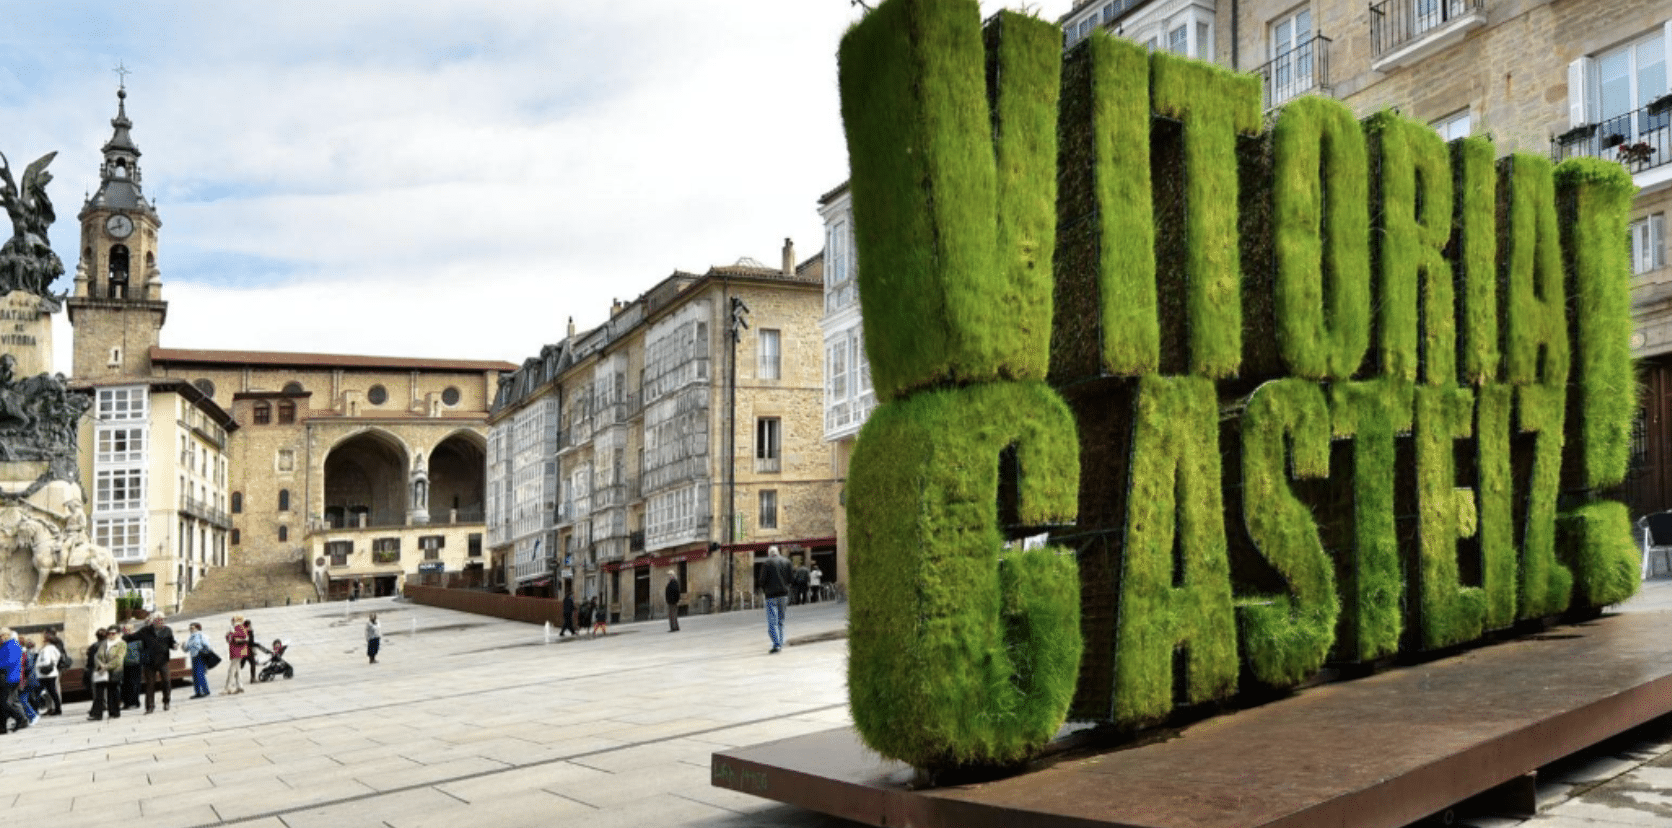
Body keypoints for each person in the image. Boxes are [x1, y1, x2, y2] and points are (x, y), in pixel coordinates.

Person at [123, 614, 178, 713]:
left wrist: (174, 645)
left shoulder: (167, 630)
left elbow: (171, 642)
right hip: (148, 662)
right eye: (158, 619)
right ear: (153, 621)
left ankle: (166, 701)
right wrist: (122, 637)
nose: (160, 621)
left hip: (163, 660)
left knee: (166, 682)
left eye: (162, 619)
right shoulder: (145, 630)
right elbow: (133, 637)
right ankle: (149, 707)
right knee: (150, 685)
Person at [758, 546, 794, 654]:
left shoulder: (766, 563)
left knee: (772, 622)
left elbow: (762, 580)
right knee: (780, 621)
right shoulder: (787, 562)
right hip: (783, 595)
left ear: (769, 553)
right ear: (778, 552)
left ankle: (776, 644)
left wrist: (764, 589)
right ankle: (780, 642)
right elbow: (791, 579)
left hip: (771, 596)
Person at [88, 627, 125, 721]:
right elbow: (97, 656)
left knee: (113, 692)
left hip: (114, 671)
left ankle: (114, 712)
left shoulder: (121, 643)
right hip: (102, 672)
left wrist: (106, 666)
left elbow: (118, 659)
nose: (111, 635)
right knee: (99, 693)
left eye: (113, 633)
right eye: (109, 633)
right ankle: (97, 714)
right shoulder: (104, 643)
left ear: (117, 634)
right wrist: (100, 666)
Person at [0, 629, 27, 733]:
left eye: (0, 636)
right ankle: (3, 727)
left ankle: (19, 717)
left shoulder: (12, 645)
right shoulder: (5, 645)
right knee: (5, 703)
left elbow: (9, 662)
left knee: (5, 703)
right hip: (6, 678)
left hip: (10, 678)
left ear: (5, 635)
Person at [36, 631, 63, 716]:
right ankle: (57, 709)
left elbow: (46, 662)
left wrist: (37, 665)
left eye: (44, 640)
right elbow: (57, 658)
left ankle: (39, 709)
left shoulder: (46, 649)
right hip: (52, 673)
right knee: (52, 692)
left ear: (47, 641)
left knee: (38, 691)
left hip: (45, 674)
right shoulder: (54, 648)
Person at [183, 622, 212, 699]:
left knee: (200, 674)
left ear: (197, 628)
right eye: (190, 628)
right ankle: (198, 692)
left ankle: (205, 690)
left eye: (192, 628)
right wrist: (183, 646)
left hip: (200, 656)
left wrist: (204, 652)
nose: (191, 630)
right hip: (193, 657)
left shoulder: (201, 635)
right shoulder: (190, 637)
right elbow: (186, 649)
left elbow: (207, 645)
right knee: (195, 675)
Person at [120, 621, 143, 710]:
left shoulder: (137, 640)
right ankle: (127, 703)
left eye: (128, 629)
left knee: (134, 684)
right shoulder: (122, 640)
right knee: (126, 684)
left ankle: (134, 702)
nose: (126, 631)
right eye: (125, 630)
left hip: (135, 664)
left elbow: (141, 650)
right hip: (125, 664)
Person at [224, 616, 249, 695]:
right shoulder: (234, 627)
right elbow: (229, 639)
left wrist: (231, 634)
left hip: (238, 651)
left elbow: (242, 636)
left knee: (231, 670)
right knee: (237, 670)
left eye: (233, 620)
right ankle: (239, 686)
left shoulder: (239, 627)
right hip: (235, 651)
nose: (232, 621)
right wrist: (229, 635)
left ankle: (228, 687)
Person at [241, 619, 269, 684]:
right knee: (252, 663)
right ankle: (252, 679)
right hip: (248, 651)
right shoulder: (249, 632)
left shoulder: (242, 631)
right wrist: (258, 645)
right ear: (248, 625)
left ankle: (233, 677)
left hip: (243, 651)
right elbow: (251, 643)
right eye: (250, 625)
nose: (251, 626)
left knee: (241, 665)